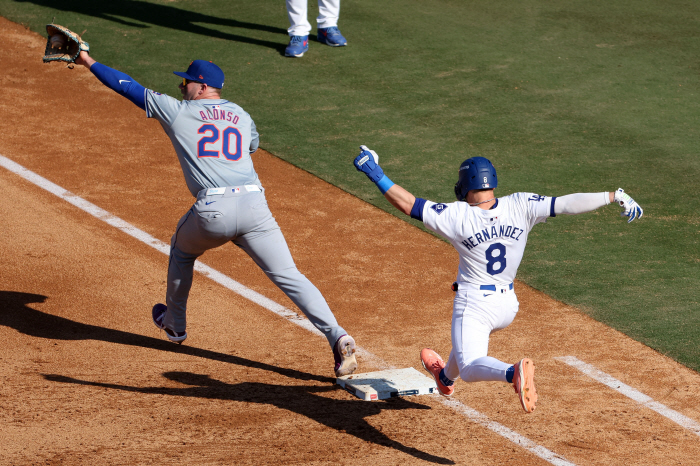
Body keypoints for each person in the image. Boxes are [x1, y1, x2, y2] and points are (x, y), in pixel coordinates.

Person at [72, 50, 358, 378]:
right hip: (255, 208)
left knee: (182, 250)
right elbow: (249, 146)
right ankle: (337, 334)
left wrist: (86, 58)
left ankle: (175, 325)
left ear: (203, 86)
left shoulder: (178, 112)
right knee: (289, 275)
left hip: (213, 212)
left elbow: (127, 86)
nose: (182, 87)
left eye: (187, 82)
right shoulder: (241, 113)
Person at [353, 145, 643, 412]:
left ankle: (511, 372)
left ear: (465, 185)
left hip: (475, 304)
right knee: (466, 343)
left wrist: (375, 173)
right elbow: (566, 203)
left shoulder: (457, 216)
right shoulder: (521, 203)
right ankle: (443, 377)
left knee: (469, 366)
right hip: (507, 306)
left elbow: (409, 204)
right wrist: (613, 196)